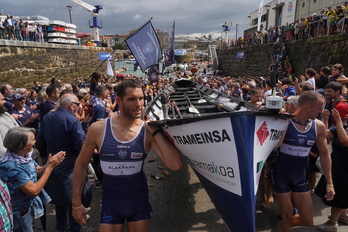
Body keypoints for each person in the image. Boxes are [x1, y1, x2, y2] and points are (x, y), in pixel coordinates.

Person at [72, 79, 183, 232]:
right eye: (131, 99)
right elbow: (81, 164)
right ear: (118, 101)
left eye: (141, 98)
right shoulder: (98, 129)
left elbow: (175, 165)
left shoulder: (147, 131)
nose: (138, 104)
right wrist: (76, 203)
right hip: (111, 202)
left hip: (137, 201)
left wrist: (156, 132)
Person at [272, 91, 335, 232]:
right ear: (307, 107)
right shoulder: (285, 121)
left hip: (300, 178)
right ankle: (285, 224)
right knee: (288, 216)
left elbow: (324, 154)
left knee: (307, 220)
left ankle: (284, 225)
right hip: (281, 176)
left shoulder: (318, 126)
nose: (322, 111)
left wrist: (330, 183)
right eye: (319, 108)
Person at [36, 93, 87, 232]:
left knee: (59, 199)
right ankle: (75, 228)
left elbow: (40, 140)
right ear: (71, 105)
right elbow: (81, 144)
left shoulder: (47, 117)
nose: (79, 108)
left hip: (53, 163)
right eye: (77, 105)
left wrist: (45, 158)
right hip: (71, 164)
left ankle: (60, 227)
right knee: (74, 198)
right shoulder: (72, 119)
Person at [0, 127, 65, 232]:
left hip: (28, 209)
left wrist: (49, 163)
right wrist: (49, 168)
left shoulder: (23, 156)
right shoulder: (10, 166)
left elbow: (37, 170)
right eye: (32, 139)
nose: (35, 141)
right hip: (20, 213)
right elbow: (34, 191)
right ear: (22, 145)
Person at [315, 109, 348, 231]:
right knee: (338, 193)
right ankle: (343, 215)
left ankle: (332, 222)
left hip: (346, 169)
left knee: (341, 196)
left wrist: (338, 122)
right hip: (337, 165)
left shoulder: (341, 125)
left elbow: (345, 141)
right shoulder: (345, 126)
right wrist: (326, 119)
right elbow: (325, 133)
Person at [0, 93, 19, 157]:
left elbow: (19, 131)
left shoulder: (6, 114)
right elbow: (1, 150)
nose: (5, 102)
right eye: (2, 100)